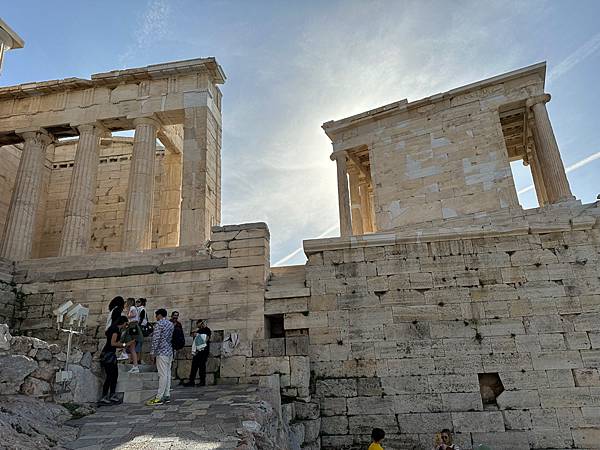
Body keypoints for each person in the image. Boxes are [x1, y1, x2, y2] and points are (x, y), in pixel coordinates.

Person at [100, 316, 133, 405]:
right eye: (126, 323)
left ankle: (111, 395)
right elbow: (113, 343)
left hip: (108, 354)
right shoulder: (115, 330)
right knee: (110, 376)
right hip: (108, 355)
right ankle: (104, 396)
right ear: (123, 323)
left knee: (114, 375)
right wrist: (125, 344)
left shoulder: (113, 329)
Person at [146, 308, 174, 406]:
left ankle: (159, 397)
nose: (156, 317)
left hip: (161, 352)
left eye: (156, 315)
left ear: (159, 315)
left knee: (162, 375)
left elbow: (156, 339)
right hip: (169, 351)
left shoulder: (159, 324)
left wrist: (152, 352)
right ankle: (167, 394)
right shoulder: (171, 324)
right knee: (167, 373)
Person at [183, 320, 211, 387]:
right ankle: (191, 381)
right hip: (198, 350)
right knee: (194, 366)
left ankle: (202, 381)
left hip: (204, 350)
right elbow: (194, 337)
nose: (198, 325)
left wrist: (202, 343)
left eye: (198, 324)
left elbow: (207, 338)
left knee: (202, 366)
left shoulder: (207, 330)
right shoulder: (198, 331)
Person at [122, 298, 143, 373]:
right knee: (132, 348)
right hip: (132, 326)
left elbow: (133, 315)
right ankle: (135, 366)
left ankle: (124, 353)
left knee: (125, 339)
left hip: (133, 326)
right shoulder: (133, 308)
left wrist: (127, 316)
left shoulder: (132, 308)